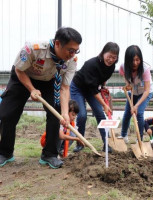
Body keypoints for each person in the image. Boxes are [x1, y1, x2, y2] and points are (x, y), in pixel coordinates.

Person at [0, 27, 82, 169]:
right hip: (23, 76)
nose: (73, 54)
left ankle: (49, 155)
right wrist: (32, 89)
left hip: (48, 80)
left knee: (55, 114)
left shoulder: (72, 60)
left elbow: (64, 87)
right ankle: (5, 153)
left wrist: (64, 113)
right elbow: (19, 70)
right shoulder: (33, 48)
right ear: (57, 44)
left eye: (76, 50)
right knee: (7, 114)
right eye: (70, 50)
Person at [70, 42, 119, 153]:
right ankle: (80, 143)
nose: (111, 60)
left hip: (91, 89)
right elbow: (93, 90)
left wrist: (103, 87)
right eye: (109, 56)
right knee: (82, 115)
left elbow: (103, 79)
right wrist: (105, 105)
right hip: (78, 88)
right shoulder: (91, 64)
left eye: (114, 57)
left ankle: (107, 143)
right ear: (103, 53)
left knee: (100, 114)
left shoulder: (112, 67)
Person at [118, 45, 153, 143]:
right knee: (127, 113)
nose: (135, 63)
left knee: (139, 113)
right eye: (132, 60)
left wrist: (136, 106)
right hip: (133, 92)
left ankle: (140, 139)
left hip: (145, 92)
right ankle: (123, 135)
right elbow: (125, 76)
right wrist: (127, 84)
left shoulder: (145, 69)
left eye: (137, 60)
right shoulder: (123, 67)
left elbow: (146, 90)